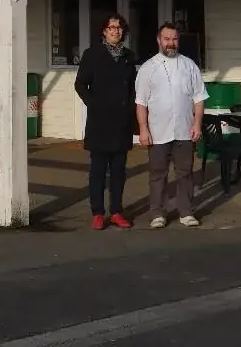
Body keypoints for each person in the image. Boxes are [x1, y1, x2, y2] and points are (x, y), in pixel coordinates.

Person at [135, 22, 210, 228]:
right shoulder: (148, 68)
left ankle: (186, 212)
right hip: (158, 131)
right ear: (159, 40)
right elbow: (141, 102)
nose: (171, 43)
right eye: (167, 39)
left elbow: (199, 98)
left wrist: (197, 124)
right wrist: (143, 128)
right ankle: (158, 213)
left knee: (185, 173)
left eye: (174, 39)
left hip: (184, 130)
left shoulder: (189, 65)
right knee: (158, 174)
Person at [74, 13, 138, 230]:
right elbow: (80, 84)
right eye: (111, 27)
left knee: (119, 171)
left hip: (121, 123)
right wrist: (95, 104)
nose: (116, 31)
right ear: (104, 31)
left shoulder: (129, 56)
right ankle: (98, 213)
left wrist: (131, 112)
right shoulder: (92, 54)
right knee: (98, 170)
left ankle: (117, 211)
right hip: (100, 122)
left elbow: (132, 88)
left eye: (119, 28)